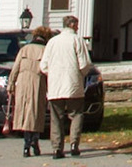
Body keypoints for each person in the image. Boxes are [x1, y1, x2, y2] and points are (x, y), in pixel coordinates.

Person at [40, 14, 93, 159]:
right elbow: (84, 63)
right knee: (76, 114)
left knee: (56, 117)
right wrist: (81, 74)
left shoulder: (52, 42)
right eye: (76, 25)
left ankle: (57, 148)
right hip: (73, 83)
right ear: (71, 25)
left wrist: (52, 74)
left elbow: (43, 65)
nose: (78, 27)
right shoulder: (77, 40)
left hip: (56, 85)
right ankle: (74, 144)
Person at [9, 26, 52, 158]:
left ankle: (27, 144)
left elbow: (15, 68)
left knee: (24, 112)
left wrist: (11, 84)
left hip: (22, 82)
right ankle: (33, 141)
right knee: (35, 113)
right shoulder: (45, 50)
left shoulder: (24, 49)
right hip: (38, 82)